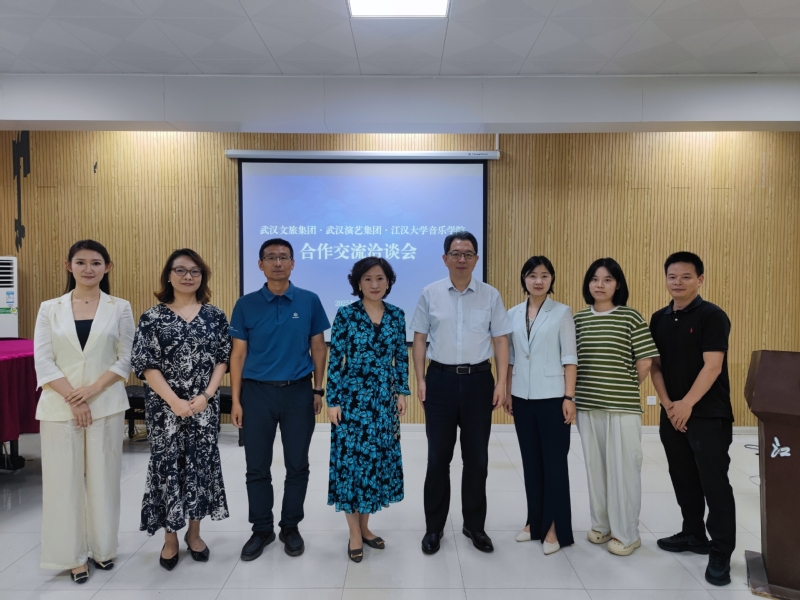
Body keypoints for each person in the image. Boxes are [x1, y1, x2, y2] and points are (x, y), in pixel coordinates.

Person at [33, 239, 134, 584]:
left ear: (108, 267)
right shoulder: (50, 308)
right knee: (63, 483)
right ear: (68, 266)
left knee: (105, 479)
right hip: (59, 407)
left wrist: (91, 391)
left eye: (96, 263)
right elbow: (43, 360)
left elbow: (125, 358)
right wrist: (74, 398)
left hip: (105, 404)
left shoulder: (120, 307)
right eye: (81, 262)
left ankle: (103, 549)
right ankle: (72, 556)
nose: (88, 269)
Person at [411, 231, 512, 555]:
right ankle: (434, 527)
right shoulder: (430, 293)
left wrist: (501, 383)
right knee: (438, 459)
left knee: (477, 459)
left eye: (468, 253)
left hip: (478, 381)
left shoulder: (490, 295)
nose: (462, 259)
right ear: (445, 258)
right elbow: (419, 339)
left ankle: (474, 526)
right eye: (455, 253)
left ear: (476, 259)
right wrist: (420, 379)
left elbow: (500, 340)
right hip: (439, 381)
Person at [229, 238, 330, 560]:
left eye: (283, 257)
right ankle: (261, 528)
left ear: (293, 263)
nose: (277, 263)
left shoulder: (309, 300)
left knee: (297, 464)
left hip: (298, 392)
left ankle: (290, 526)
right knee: (256, 466)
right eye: (270, 257)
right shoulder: (245, 304)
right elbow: (238, 355)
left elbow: (318, 348)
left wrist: (318, 389)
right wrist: (236, 400)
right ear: (260, 264)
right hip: (256, 393)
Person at [131, 249, 231, 571]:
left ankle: (195, 533)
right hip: (164, 409)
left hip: (204, 407)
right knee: (168, 468)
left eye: (195, 271)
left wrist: (207, 395)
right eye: (181, 270)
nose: (188, 276)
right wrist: (173, 401)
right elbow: (145, 364)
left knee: (200, 466)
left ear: (203, 276)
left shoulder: (215, 316)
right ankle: (170, 537)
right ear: (169, 275)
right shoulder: (152, 317)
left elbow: (223, 359)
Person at [649, 252, 735, 587]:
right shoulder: (659, 318)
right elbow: (655, 366)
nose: (678, 282)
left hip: (708, 414)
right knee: (683, 477)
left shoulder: (712, 316)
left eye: (686, 276)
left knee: (714, 483)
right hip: (673, 413)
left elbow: (713, 366)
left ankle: (721, 551)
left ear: (700, 279)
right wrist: (669, 405)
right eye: (672, 276)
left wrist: (687, 404)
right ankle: (693, 533)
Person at [326, 257, 410, 562]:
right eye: (368, 279)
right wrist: (333, 400)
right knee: (352, 466)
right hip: (352, 401)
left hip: (383, 402)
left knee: (375, 463)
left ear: (388, 282)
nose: (375, 284)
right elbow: (336, 359)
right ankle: (354, 533)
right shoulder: (346, 315)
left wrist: (401, 391)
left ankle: (365, 527)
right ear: (358, 283)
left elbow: (401, 357)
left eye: (380, 278)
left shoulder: (397, 315)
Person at [574, 258, 659, 556]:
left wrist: (623, 386)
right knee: (595, 469)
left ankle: (627, 534)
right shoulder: (578, 320)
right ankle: (602, 525)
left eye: (607, 279)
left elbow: (645, 361)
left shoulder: (630, 317)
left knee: (624, 469)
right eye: (594, 279)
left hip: (622, 406)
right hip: (587, 405)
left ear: (618, 284)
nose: (600, 285)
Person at [504, 256, 577, 555]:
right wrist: (508, 392)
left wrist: (569, 397)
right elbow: (511, 357)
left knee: (555, 464)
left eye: (544, 275)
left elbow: (569, 357)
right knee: (531, 463)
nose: (538, 280)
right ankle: (534, 522)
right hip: (522, 396)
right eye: (532, 275)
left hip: (553, 397)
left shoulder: (562, 312)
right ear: (524, 279)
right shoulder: (512, 313)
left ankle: (555, 527)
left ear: (551, 280)